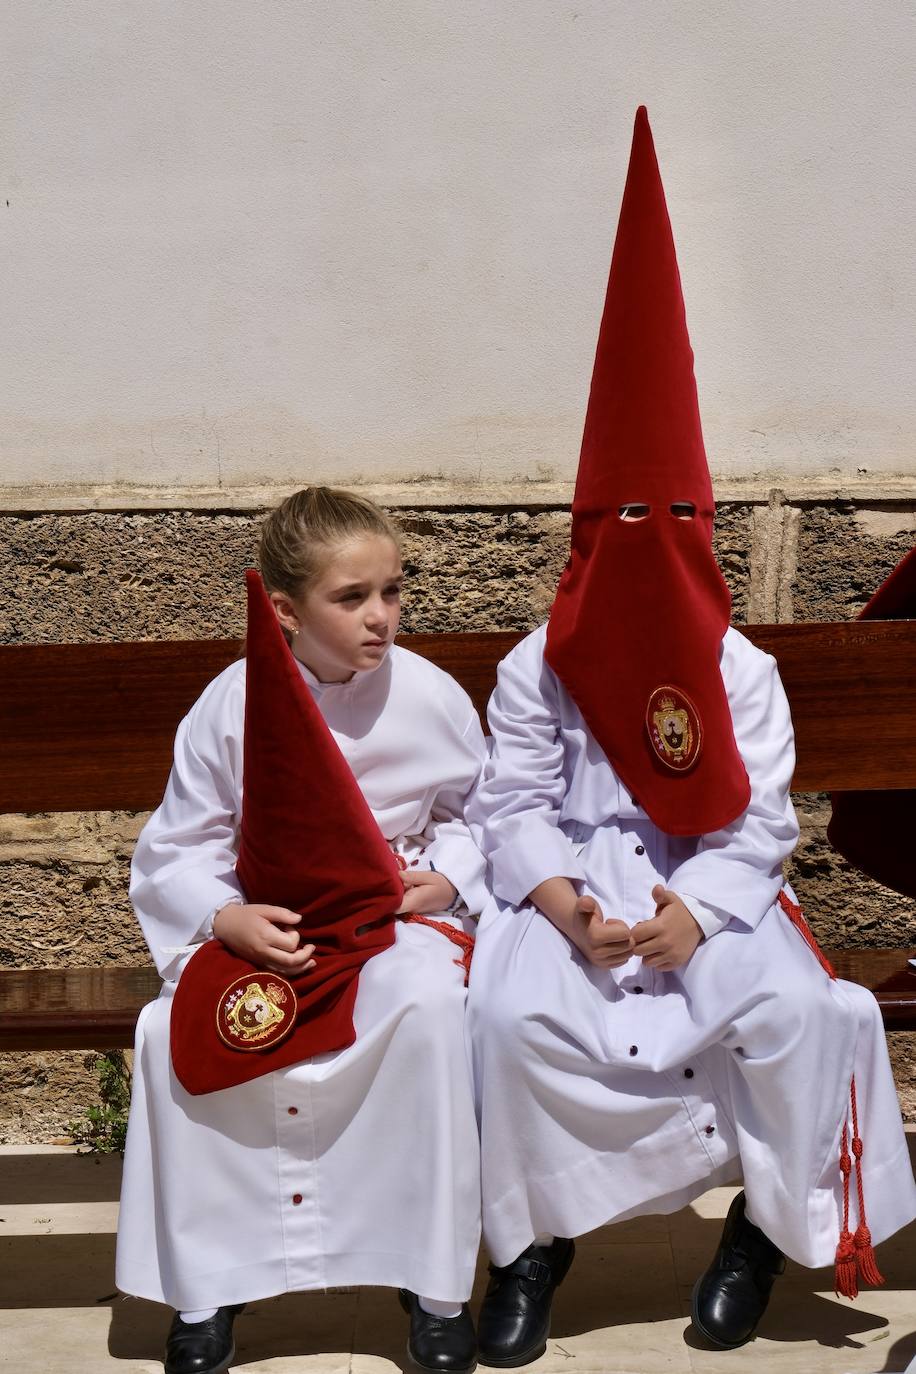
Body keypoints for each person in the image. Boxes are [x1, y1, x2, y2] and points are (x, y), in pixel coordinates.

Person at [466, 109, 916, 1365]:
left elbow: (760, 816)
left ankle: (760, 1233)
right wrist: (559, 903)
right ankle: (532, 1245)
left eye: (672, 518)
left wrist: (702, 915)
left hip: (704, 882)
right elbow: (512, 803)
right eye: (623, 520)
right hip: (571, 888)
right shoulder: (536, 663)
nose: (645, 545)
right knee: (505, 1023)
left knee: (799, 1012)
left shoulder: (739, 668)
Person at [116, 486, 487, 1374]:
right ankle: (209, 1288)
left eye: (392, 590)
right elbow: (180, 844)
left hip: (393, 924)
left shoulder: (430, 695)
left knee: (428, 1011)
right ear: (285, 611)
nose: (381, 617)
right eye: (351, 598)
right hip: (270, 925)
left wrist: (449, 876)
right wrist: (224, 916)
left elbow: (481, 815)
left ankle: (431, 1285)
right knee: (170, 1032)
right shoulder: (230, 703)